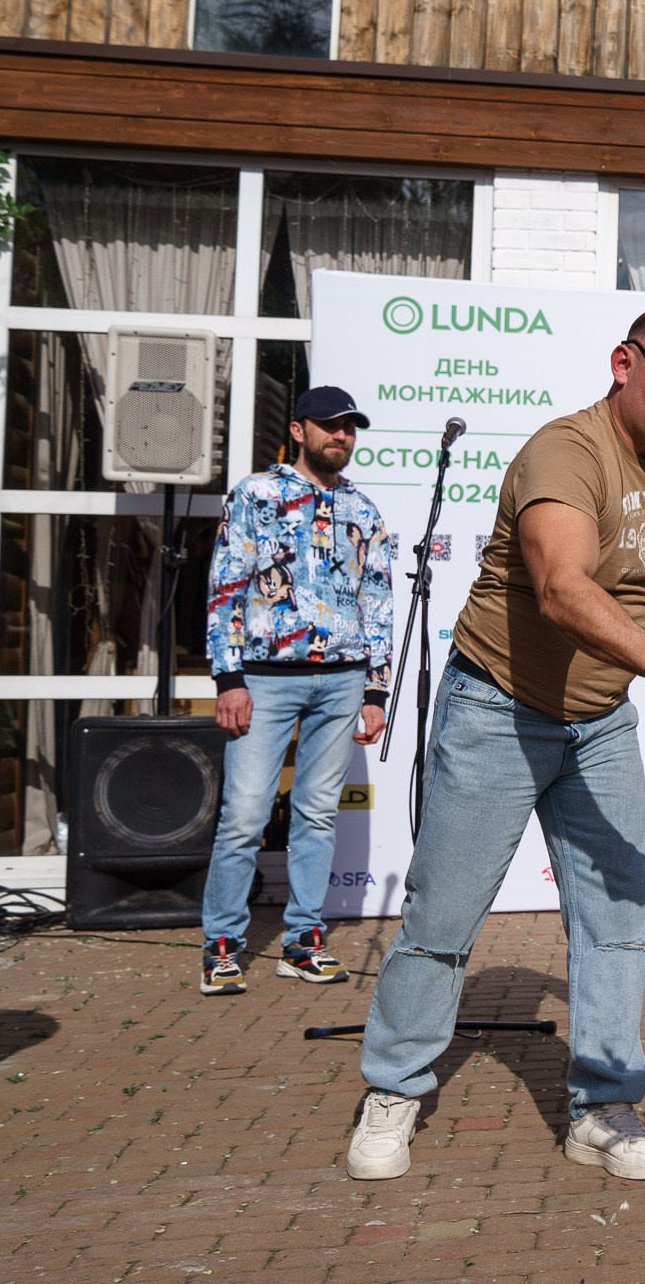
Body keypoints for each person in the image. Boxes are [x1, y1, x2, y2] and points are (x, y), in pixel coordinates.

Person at [346, 308, 645, 1183]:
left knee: (615, 924)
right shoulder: (564, 452)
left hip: (599, 725)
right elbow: (561, 589)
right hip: (499, 709)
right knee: (443, 918)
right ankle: (395, 1088)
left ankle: (601, 1109)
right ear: (624, 363)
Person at [199, 387, 394, 996]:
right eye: (330, 426)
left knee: (316, 814)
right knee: (245, 815)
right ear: (299, 430)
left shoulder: (364, 509)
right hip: (263, 677)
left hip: (341, 681)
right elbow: (226, 582)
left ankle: (302, 941)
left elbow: (378, 602)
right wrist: (227, 676)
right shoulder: (256, 494)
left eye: (350, 428)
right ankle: (222, 943)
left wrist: (375, 689)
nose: (341, 436)